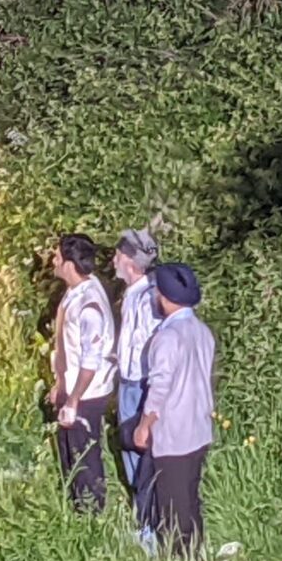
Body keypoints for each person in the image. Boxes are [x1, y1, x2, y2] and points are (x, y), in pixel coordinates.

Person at [133, 264, 215, 554]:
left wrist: (144, 425)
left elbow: (159, 388)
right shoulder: (202, 331)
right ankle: (197, 554)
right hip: (199, 429)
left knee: (173, 507)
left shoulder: (167, 337)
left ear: (165, 296)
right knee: (191, 500)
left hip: (174, 435)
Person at [48, 234, 117, 513]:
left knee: (84, 455)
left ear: (69, 264)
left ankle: (91, 511)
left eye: (56, 256)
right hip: (72, 387)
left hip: (86, 393)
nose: (52, 261)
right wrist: (59, 383)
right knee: (69, 452)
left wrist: (73, 399)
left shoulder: (89, 306)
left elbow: (91, 360)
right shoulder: (75, 290)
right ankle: (76, 505)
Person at [112, 229, 160, 536]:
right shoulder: (132, 295)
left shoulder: (148, 299)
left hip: (142, 386)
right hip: (128, 382)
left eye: (117, 255)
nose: (113, 260)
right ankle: (141, 517)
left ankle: (150, 529)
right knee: (129, 447)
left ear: (129, 260)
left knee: (143, 454)